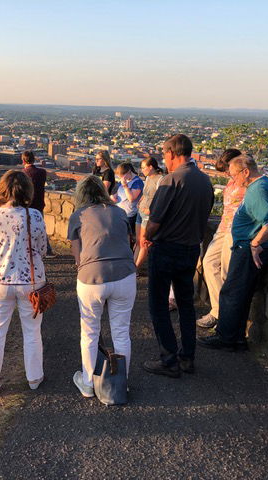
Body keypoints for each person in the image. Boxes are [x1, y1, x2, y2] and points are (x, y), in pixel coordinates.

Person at [142, 134, 214, 377]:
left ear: (172, 153)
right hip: (191, 249)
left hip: (166, 249)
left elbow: (155, 219)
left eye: (164, 155)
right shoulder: (205, 181)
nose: (164, 159)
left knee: (158, 305)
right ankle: (187, 357)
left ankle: (169, 359)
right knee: (185, 305)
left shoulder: (171, 180)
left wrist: (146, 237)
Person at [198, 155, 268, 350]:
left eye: (235, 175)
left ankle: (227, 338)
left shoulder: (258, 190)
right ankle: (236, 338)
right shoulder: (264, 185)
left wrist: (255, 244)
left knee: (232, 292)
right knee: (239, 293)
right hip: (247, 246)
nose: (233, 179)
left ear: (246, 171)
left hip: (248, 249)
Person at [0, 170, 48, 396]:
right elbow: (42, 249)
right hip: (31, 281)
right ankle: (34, 377)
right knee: (32, 331)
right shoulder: (35, 216)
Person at [68, 175, 137, 398]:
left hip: (91, 277)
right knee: (121, 331)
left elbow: (77, 256)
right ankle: (121, 382)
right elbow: (127, 242)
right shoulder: (119, 212)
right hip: (124, 275)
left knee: (89, 331)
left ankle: (88, 383)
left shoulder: (78, 215)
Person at [196, 148, 245, 328]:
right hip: (223, 229)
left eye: (226, 170)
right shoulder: (233, 182)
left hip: (236, 232)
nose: (226, 174)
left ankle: (222, 317)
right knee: (209, 263)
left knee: (226, 273)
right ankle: (218, 310)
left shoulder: (247, 182)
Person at [22, 150, 56, 258]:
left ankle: (27, 250)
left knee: (25, 229)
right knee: (40, 228)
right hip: (38, 204)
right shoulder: (42, 172)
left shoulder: (22, 174)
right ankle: (47, 250)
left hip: (25, 205)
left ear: (23, 160)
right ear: (34, 159)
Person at [134, 156, 165, 268]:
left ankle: (136, 268)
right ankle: (132, 267)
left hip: (148, 215)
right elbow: (146, 193)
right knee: (138, 241)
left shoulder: (160, 179)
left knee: (143, 242)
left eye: (143, 168)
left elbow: (161, 198)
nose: (142, 170)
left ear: (151, 167)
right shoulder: (147, 178)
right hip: (140, 212)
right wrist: (141, 201)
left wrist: (151, 209)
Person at [112, 162, 144, 245]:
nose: (121, 178)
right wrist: (113, 197)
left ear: (129, 172)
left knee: (126, 239)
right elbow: (117, 193)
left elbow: (131, 198)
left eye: (122, 176)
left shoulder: (137, 182)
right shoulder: (123, 181)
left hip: (129, 215)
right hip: (119, 212)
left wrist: (125, 186)